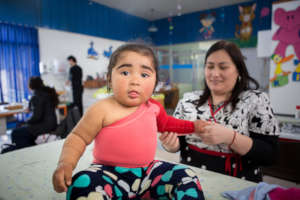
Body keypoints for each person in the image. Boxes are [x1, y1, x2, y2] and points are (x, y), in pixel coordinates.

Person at [52, 44, 206, 200]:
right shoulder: (101, 109)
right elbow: (78, 137)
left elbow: (169, 124)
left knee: (186, 176)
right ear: (109, 79)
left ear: (155, 83)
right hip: (107, 175)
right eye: (125, 72)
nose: (135, 81)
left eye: (144, 75)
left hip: (148, 175)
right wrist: (66, 163)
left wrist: (194, 126)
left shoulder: (154, 107)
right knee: (82, 183)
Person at [159, 40, 279, 183]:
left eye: (223, 67)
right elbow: (179, 143)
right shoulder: (188, 101)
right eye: (210, 67)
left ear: (239, 71)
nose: (215, 73)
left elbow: (270, 155)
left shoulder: (255, 101)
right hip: (192, 182)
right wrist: (171, 145)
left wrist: (231, 138)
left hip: (239, 185)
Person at [1, 76, 59, 153]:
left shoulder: (37, 96)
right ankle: (27, 148)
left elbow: (37, 117)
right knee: (21, 129)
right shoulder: (48, 93)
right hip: (52, 124)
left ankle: (25, 152)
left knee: (16, 132)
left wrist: (26, 122)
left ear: (31, 86)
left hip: (44, 126)